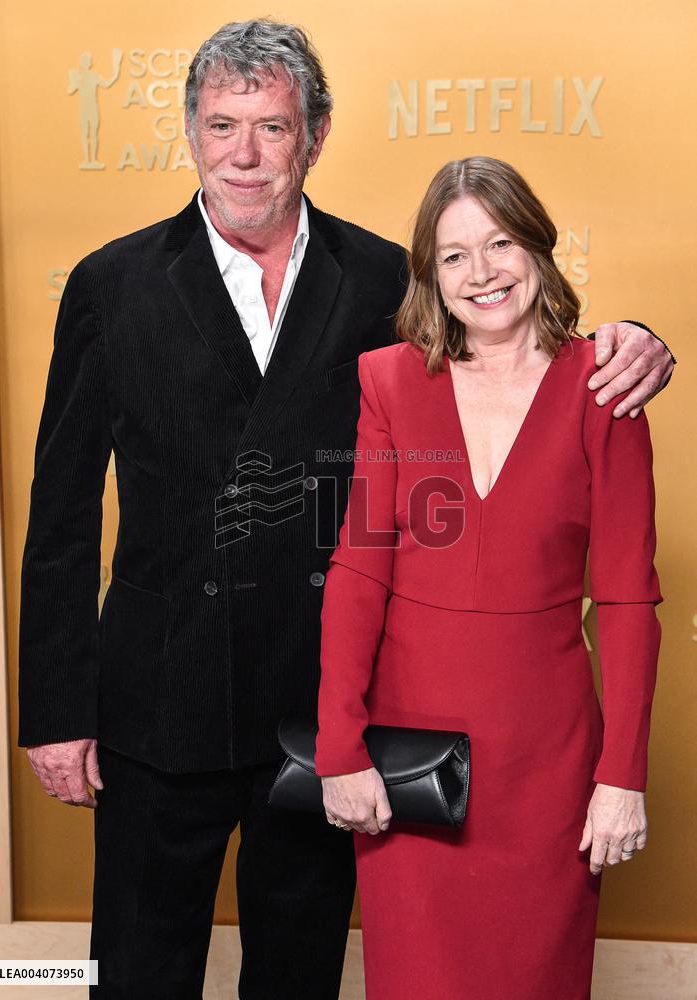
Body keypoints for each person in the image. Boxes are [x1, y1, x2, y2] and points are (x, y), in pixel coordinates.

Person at [17, 18, 672, 1000]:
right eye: (221, 124)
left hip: (324, 715)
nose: (244, 154)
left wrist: (637, 340)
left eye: (272, 127)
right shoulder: (110, 286)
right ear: (190, 134)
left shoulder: (381, 281)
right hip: (158, 707)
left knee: (298, 978)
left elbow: (504, 326)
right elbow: (61, 516)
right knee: (137, 978)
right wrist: (56, 711)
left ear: (314, 137)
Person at [315, 156, 664, 1000]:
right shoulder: (390, 382)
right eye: (454, 255)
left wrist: (621, 777)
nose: (482, 272)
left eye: (500, 242)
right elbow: (359, 569)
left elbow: (626, 600)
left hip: (546, 764)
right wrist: (338, 748)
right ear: (430, 277)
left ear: (537, 248)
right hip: (411, 767)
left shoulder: (605, 388)